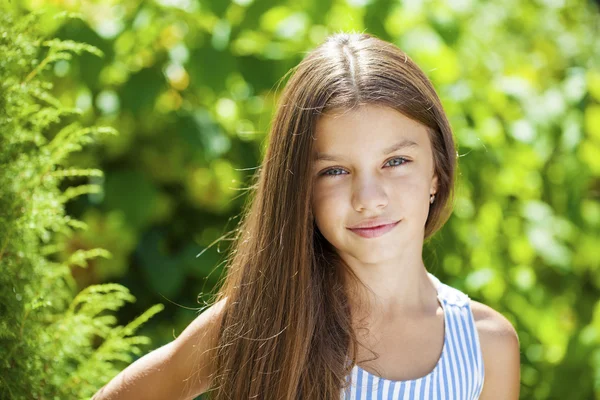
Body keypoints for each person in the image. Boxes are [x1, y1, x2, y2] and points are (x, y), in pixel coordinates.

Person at [92, 32, 520, 400]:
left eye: (396, 162)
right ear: (301, 190)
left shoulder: (486, 346)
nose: (368, 199)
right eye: (335, 171)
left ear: (437, 172)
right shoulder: (266, 319)